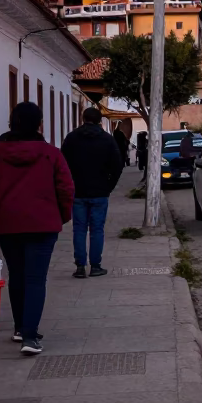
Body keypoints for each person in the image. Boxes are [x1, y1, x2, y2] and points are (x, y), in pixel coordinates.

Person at [0, 102, 73, 355]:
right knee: (35, 278)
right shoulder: (51, 153)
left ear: (11, 123)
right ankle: (30, 337)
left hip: (8, 224)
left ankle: (20, 328)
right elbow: (66, 188)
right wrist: (59, 217)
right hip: (43, 225)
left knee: (17, 275)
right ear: (39, 124)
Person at [61, 106, 124, 279]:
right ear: (99, 120)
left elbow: (62, 165)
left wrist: (69, 185)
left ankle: (80, 266)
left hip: (78, 192)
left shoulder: (72, 138)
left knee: (79, 229)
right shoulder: (107, 139)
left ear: (83, 119)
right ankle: (96, 266)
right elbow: (117, 166)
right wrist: (108, 186)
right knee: (97, 229)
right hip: (100, 191)